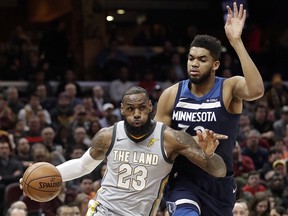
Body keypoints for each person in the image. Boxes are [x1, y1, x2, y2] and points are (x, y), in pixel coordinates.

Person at [20, 86, 228, 216]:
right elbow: (82, 165)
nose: (136, 114)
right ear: (122, 109)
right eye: (130, 109)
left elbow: (219, 171)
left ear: (150, 107)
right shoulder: (107, 135)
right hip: (103, 210)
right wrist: (48, 175)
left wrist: (210, 156)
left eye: (141, 108)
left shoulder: (172, 139)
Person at [154, 2, 264, 216]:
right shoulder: (171, 95)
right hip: (183, 180)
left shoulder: (228, 88)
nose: (194, 64)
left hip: (219, 181)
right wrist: (188, 144)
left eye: (202, 60)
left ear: (215, 65)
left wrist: (236, 42)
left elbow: (256, 90)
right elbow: (157, 143)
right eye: (191, 58)